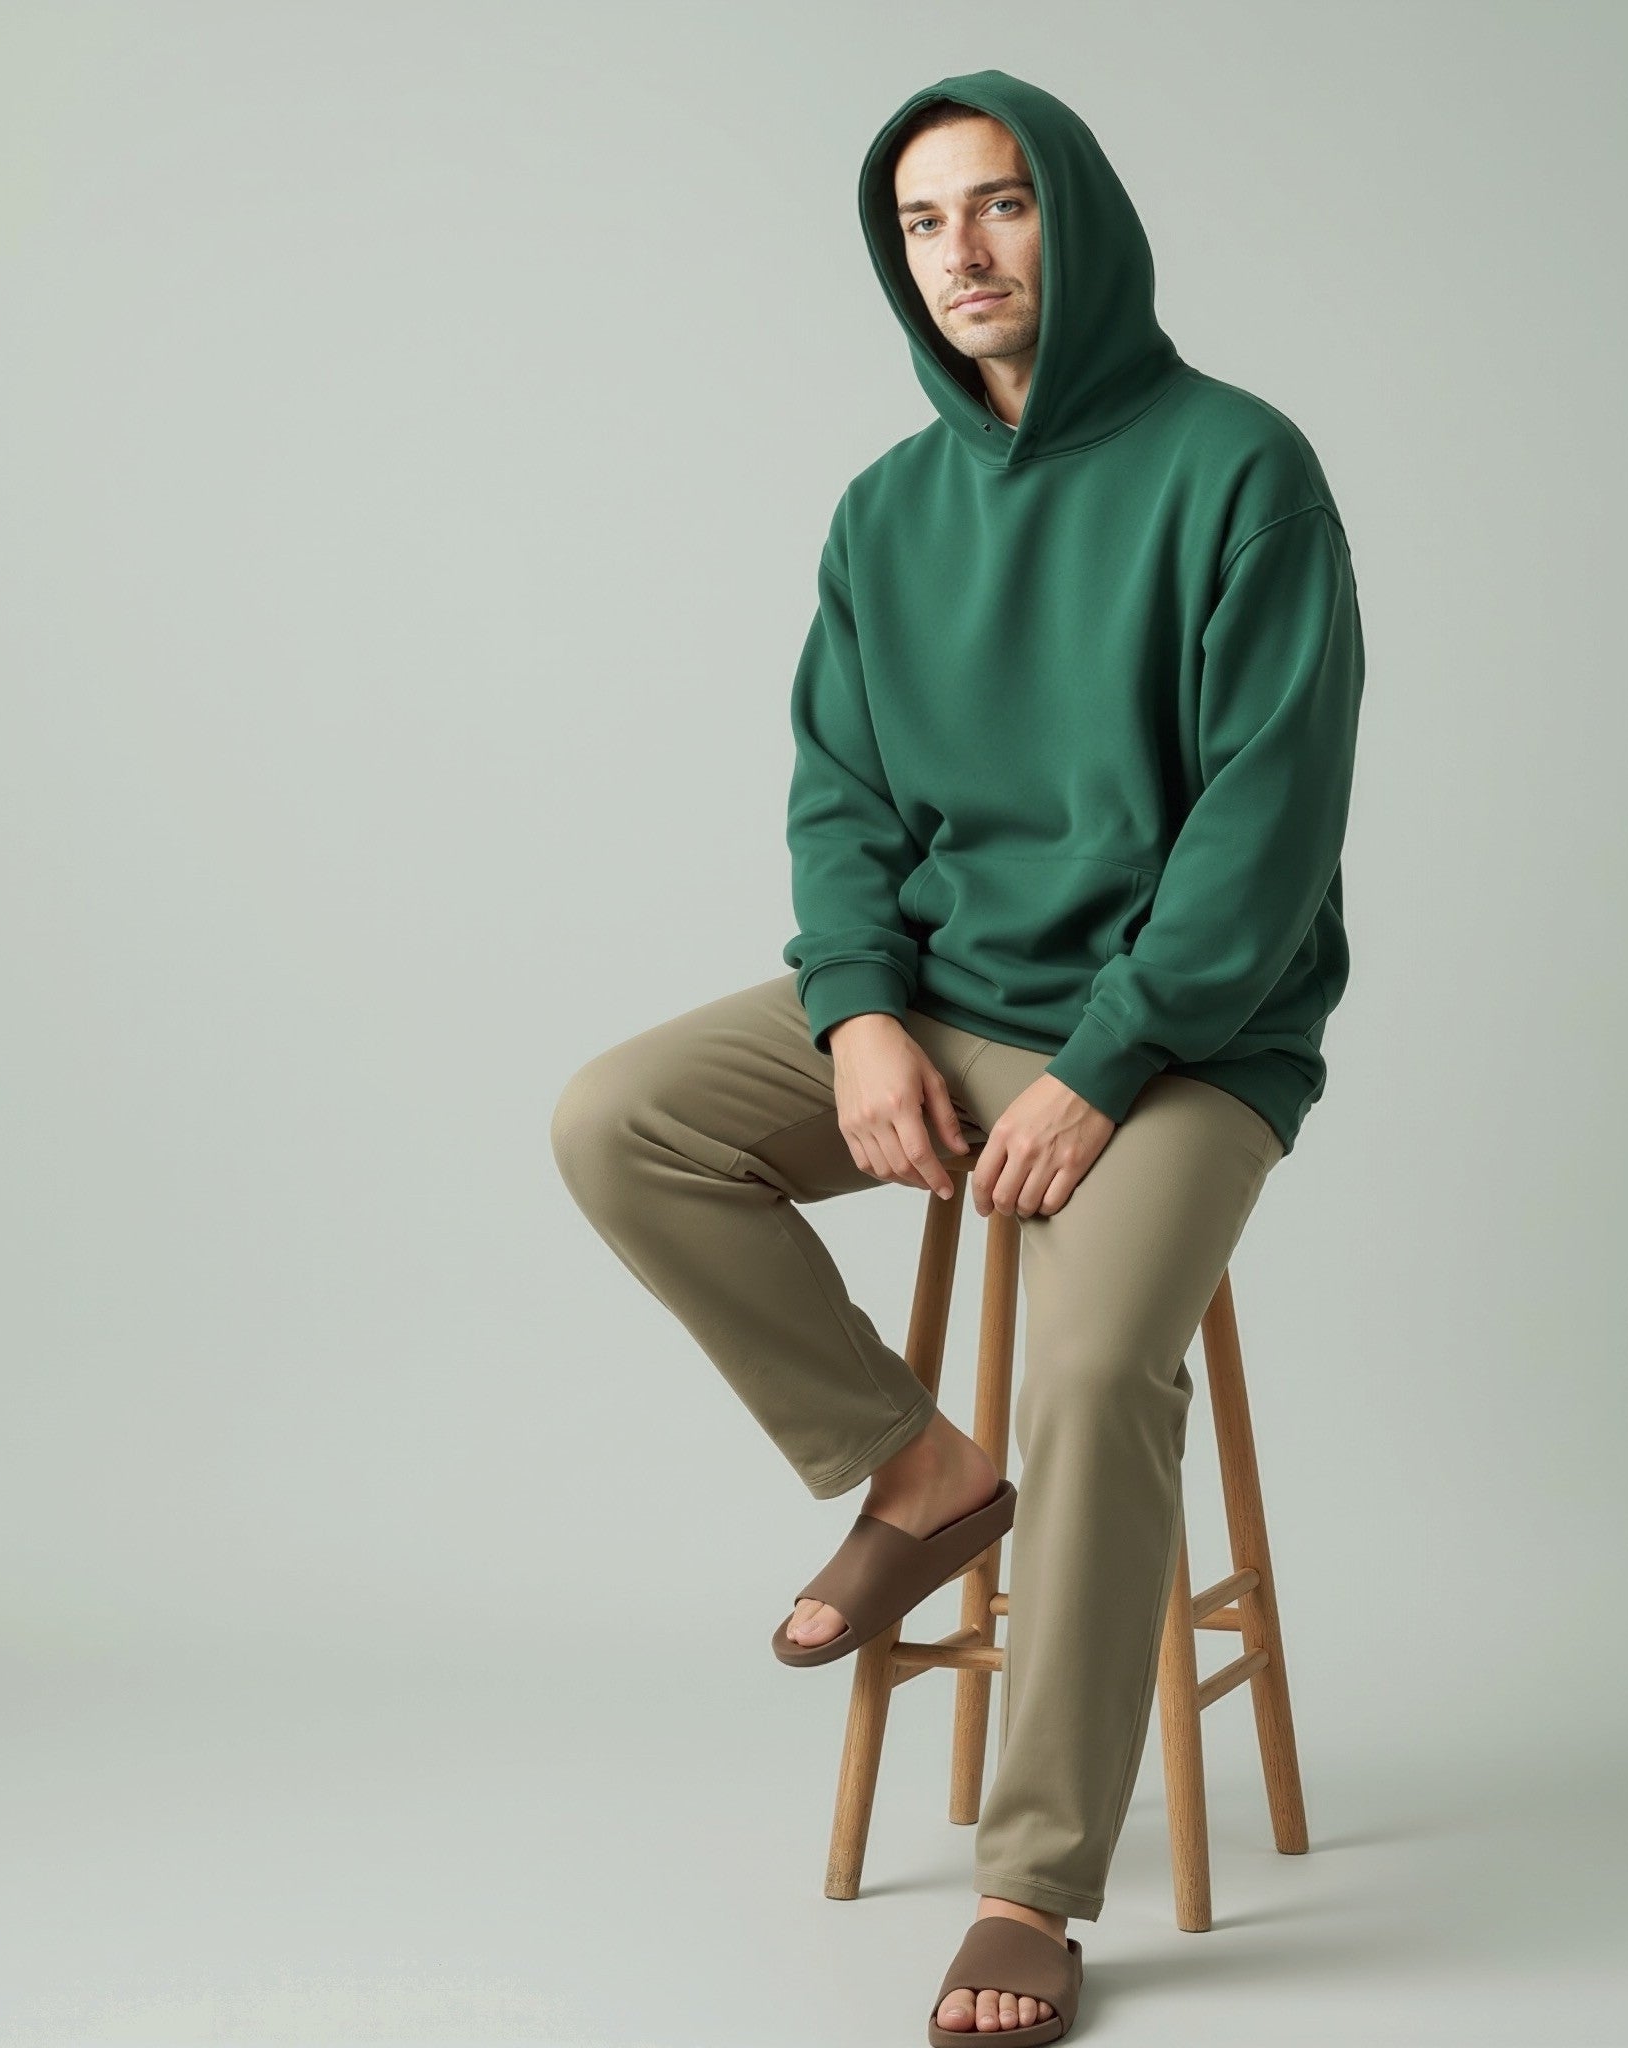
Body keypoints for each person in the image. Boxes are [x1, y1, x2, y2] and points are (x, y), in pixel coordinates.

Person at [551, 68, 1365, 2045]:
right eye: (922, 226)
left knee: (1096, 1365)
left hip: (1181, 1043)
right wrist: (852, 1014)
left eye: (997, 208)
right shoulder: (887, 510)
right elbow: (838, 798)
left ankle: (1031, 1881)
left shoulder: (1237, 469)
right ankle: (912, 1464)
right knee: (620, 1121)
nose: (963, 257)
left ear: (1071, 216)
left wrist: (1103, 1059)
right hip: (941, 1004)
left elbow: (1267, 829)